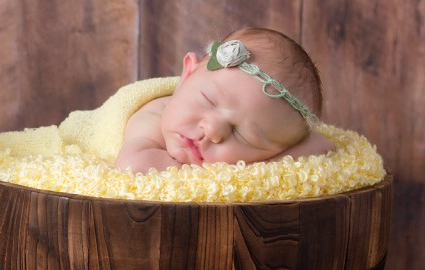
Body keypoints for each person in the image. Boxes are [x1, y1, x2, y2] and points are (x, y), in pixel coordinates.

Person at [116, 28, 333, 172]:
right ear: (187, 74)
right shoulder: (152, 118)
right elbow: (132, 166)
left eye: (243, 135)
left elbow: (322, 146)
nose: (213, 130)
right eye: (207, 100)